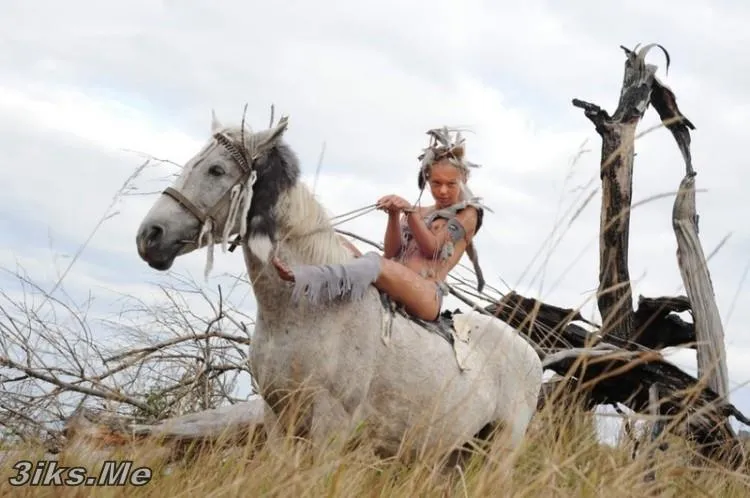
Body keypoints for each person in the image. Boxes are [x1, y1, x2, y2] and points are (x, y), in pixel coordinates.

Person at [272, 127, 485, 322]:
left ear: (463, 180)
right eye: (436, 183)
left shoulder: (468, 214)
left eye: (451, 184)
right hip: (394, 278)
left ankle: (305, 277)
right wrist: (394, 216)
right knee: (338, 241)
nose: (443, 191)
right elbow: (392, 251)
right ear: (427, 179)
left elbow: (433, 249)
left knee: (375, 263)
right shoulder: (420, 212)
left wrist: (409, 212)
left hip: (424, 294)